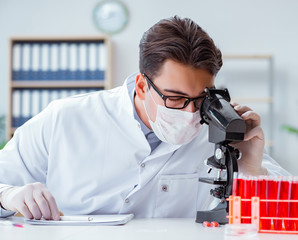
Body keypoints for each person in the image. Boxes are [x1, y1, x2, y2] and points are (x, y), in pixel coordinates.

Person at [0, 16, 289, 220]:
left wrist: (251, 167)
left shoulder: (216, 127)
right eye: (174, 98)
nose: (190, 114)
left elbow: (286, 209)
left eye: (199, 100)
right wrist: (9, 196)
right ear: (141, 85)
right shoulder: (65, 118)